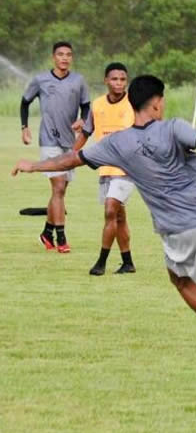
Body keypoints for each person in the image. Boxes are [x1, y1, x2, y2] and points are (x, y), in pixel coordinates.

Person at [13, 75, 196, 356]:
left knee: (181, 281)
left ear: (132, 103)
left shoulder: (116, 144)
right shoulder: (173, 127)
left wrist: (34, 166)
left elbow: (72, 158)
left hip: (179, 226)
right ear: (156, 102)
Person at [20, 41, 90, 253]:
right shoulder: (41, 80)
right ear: (53, 57)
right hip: (48, 140)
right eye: (60, 54)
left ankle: (47, 232)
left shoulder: (78, 81)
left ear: (72, 58)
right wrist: (24, 127)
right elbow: (25, 102)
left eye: (68, 54)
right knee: (58, 188)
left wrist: (82, 120)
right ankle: (61, 238)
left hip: (70, 143)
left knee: (60, 192)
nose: (64, 58)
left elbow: (86, 106)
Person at [72, 62, 137, 276]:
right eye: (114, 79)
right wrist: (71, 156)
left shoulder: (134, 103)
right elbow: (86, 133)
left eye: (122, 79)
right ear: (106, 81)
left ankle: (101, 262)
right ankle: (128, 263)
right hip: (105, 168)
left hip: (128, 169)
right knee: (119, 217)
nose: (119, 83)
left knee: (110, 210)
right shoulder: (97, 105)